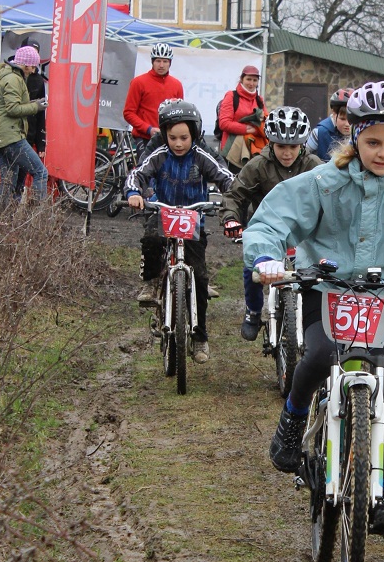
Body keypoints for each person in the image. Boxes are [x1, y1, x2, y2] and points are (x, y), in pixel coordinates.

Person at [243, 81, 384, 534]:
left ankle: (383, 489)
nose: (382, 152)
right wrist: (267, 255)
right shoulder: (325, 181)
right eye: (372, 142)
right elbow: (275, 217)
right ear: (355, 138)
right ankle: (292, 419)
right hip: (326, 287)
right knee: (320, 350)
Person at [126, 101, 235, 364]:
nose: (178, 143)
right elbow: (137, 175)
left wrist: (233, 194)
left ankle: (200, 336)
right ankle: (152, 281)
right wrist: (133, 193)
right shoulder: (159, 155)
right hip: (161, 212)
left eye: (184, 138)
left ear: (194, 134)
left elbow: (225, 176)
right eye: (172, 137)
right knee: (152, 239)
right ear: (164, 135)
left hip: (193, 217)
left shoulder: (201, 155)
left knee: (198, 277)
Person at [221, 106, 322, 340]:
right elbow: (235, 195)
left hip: (305, 232)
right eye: (281, 146)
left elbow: (334, 196)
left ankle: (316, 317)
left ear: (302, 145)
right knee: (252, 268)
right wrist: (231, 219)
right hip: (268, 232)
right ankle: (254, 311)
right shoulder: (257, 165)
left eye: (293, 147)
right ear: (270, 143)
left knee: (319, 274)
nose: (287, 153)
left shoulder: (314, 165)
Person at [0, 45, 49, 204]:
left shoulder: (7, 76)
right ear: (27, 64)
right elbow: (13, 109)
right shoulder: (14, 79)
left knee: (8, 181)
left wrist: (32, 103)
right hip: (12, 136)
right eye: (33, 67)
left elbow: (12, 105)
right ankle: (37, 218)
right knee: (40, 172)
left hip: (2, 137)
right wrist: (36, 107)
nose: (33, 71)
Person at [123, 43, 184, 155]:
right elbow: (128, 113)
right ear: (152, 62)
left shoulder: (177, 85)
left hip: (168, 138)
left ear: (170, 63)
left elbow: (180, 114)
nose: (161, 65)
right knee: (146, 170)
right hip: (144, 137)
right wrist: (148, 129)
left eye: (165, 61)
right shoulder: (138, 82)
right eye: (158, 61)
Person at [217, 65, 268, 174]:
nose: (251, 83)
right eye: (248, 79)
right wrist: (246, 129)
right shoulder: (231, 96)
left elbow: (266, 121)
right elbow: (224, 123)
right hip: (233, 149)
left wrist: (258, 128)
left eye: (255, 80)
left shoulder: (259, 100)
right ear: (242, 79)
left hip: (254, 148)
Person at [306, 87, 352, 161]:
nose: (347, 124)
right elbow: (304, 156)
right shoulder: (320, 132)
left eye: (351, 120)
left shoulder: (359, 134)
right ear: (334, 114)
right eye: (342, 119)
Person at [19, 38, 47, 155]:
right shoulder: (12, 77)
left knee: (28, 171)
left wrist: (41, 144)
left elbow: (41, 113)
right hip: (11, 134)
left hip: (29, 135)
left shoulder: (39, 80)